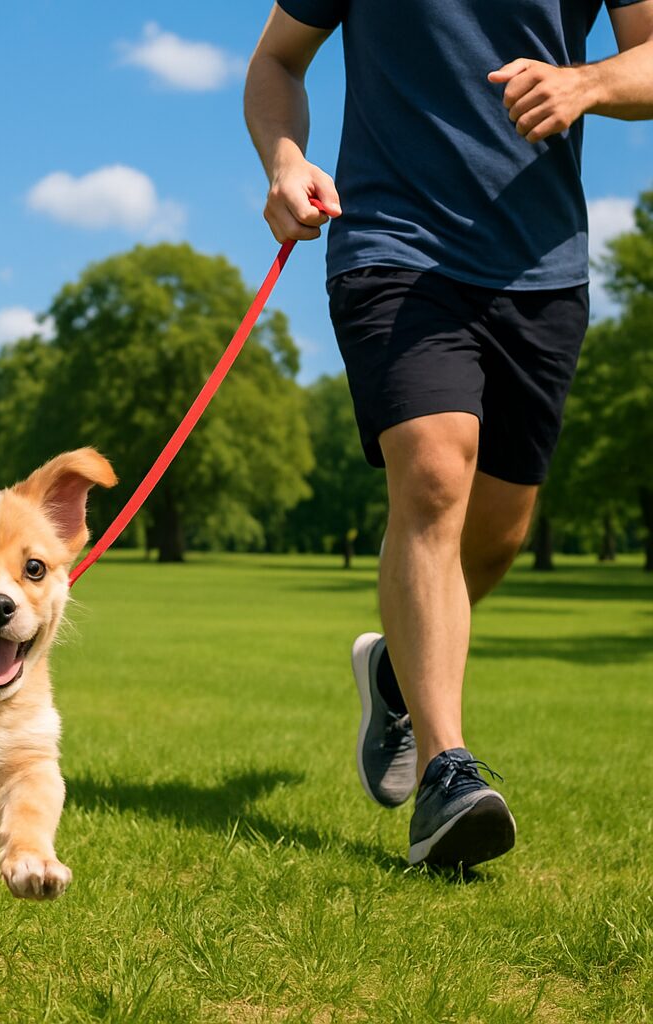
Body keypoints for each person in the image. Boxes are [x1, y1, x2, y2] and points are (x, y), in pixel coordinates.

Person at [245, 1, 653, 868]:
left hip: (540, 268)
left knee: (498, 535)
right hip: (392, 244)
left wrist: (586, 83)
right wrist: (285, 159)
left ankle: (396, 667)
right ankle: (445, 774)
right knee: (433, 476)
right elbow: (277, 61)